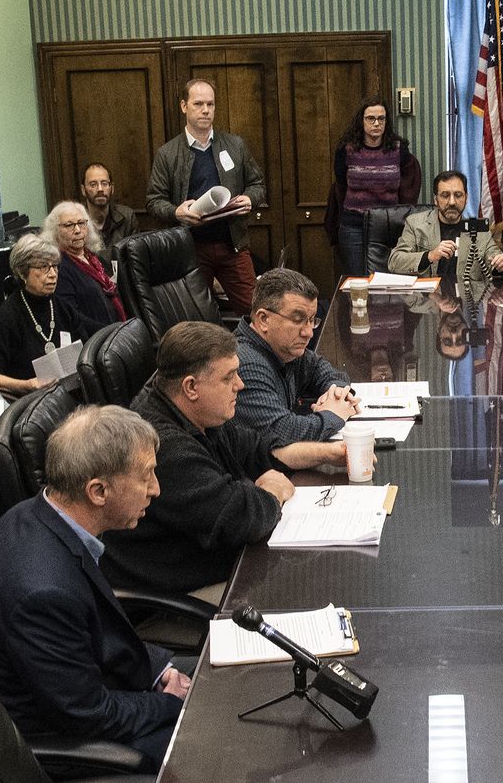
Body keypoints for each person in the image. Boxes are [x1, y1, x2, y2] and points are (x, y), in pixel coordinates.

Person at [0, 405, 188, 771]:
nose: (156, 489)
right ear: (98, 491)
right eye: (146, 476)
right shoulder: (42, 592)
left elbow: (98, 624)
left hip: (100, 684)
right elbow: (86, 714)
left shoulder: (35, 513)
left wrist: (159, 670)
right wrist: (174, 702)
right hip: (79, 741)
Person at [102, 321, 344, 599]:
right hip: (179, 589)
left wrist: (327, 453)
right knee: (306, 588)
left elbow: (253, 448)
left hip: (218, 561)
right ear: (191, 387)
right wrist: (272, 492)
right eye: (229, 377)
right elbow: (242, 520)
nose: (239, 385)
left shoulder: (196, 411)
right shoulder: (164, 448)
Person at [146, 78, 266, 315]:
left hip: (233, 244)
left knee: (255, 312)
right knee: (195, 317)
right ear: (184, 106)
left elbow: (258, 184)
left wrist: (250, 199)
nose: (205, 110)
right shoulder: (167, 153)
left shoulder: (234, 145)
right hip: (191, 249)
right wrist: (176, 212)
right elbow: (153, 200)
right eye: (198, 104)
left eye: (210, 104)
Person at [233, 268, 358, 443]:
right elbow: (283, 433)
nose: (308, 333)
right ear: (263, 319)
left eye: (311, 320)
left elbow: (320, 368)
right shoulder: (243, 364)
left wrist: (336, 392)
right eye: (297, 320)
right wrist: (333, 414)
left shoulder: (283, 347)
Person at [0, 234, 102, 396]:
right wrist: (26, 385)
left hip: (72, 392)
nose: (52, 274)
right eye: (43, 267)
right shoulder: (9, 316)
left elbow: (88, 339)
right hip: (34, 402)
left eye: (55, 266)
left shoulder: (59, 305)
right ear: (23, 273)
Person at [326, 95, 422, 277]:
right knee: (358, 281)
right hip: (353, 225)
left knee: (386, 281)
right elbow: (340, 184)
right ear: (361, 121)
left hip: (388, 226)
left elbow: (409, 185)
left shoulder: (398, 149)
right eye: (371, 118)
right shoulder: (346, 150)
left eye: (381, 118)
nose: (376, 123)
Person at [387, 170, 503, 281]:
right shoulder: (415, 224)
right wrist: (430, 255)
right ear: (436, 200)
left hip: (466, 302)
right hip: (428, 302)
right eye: (445, 195)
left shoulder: (479, 230)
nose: (452, 202)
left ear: (466, 198)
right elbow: (395, 261)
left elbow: (494, 259)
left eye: (458, 195)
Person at [42, 200, 126, 328]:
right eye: (69, 225)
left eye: (81, 223)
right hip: (95, 340)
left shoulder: (96, 259)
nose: (77, 230)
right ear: (55, 231)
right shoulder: (59, 268)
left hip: (118, 333)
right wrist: (112, 332)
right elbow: (73, 318)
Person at [81, 162, 138, 250]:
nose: (100, 189)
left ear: (112, 188)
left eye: (104, 183)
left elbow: (135, 255)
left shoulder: (127, 217)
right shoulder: (75, 221)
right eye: (93, 184)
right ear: (83, 190)